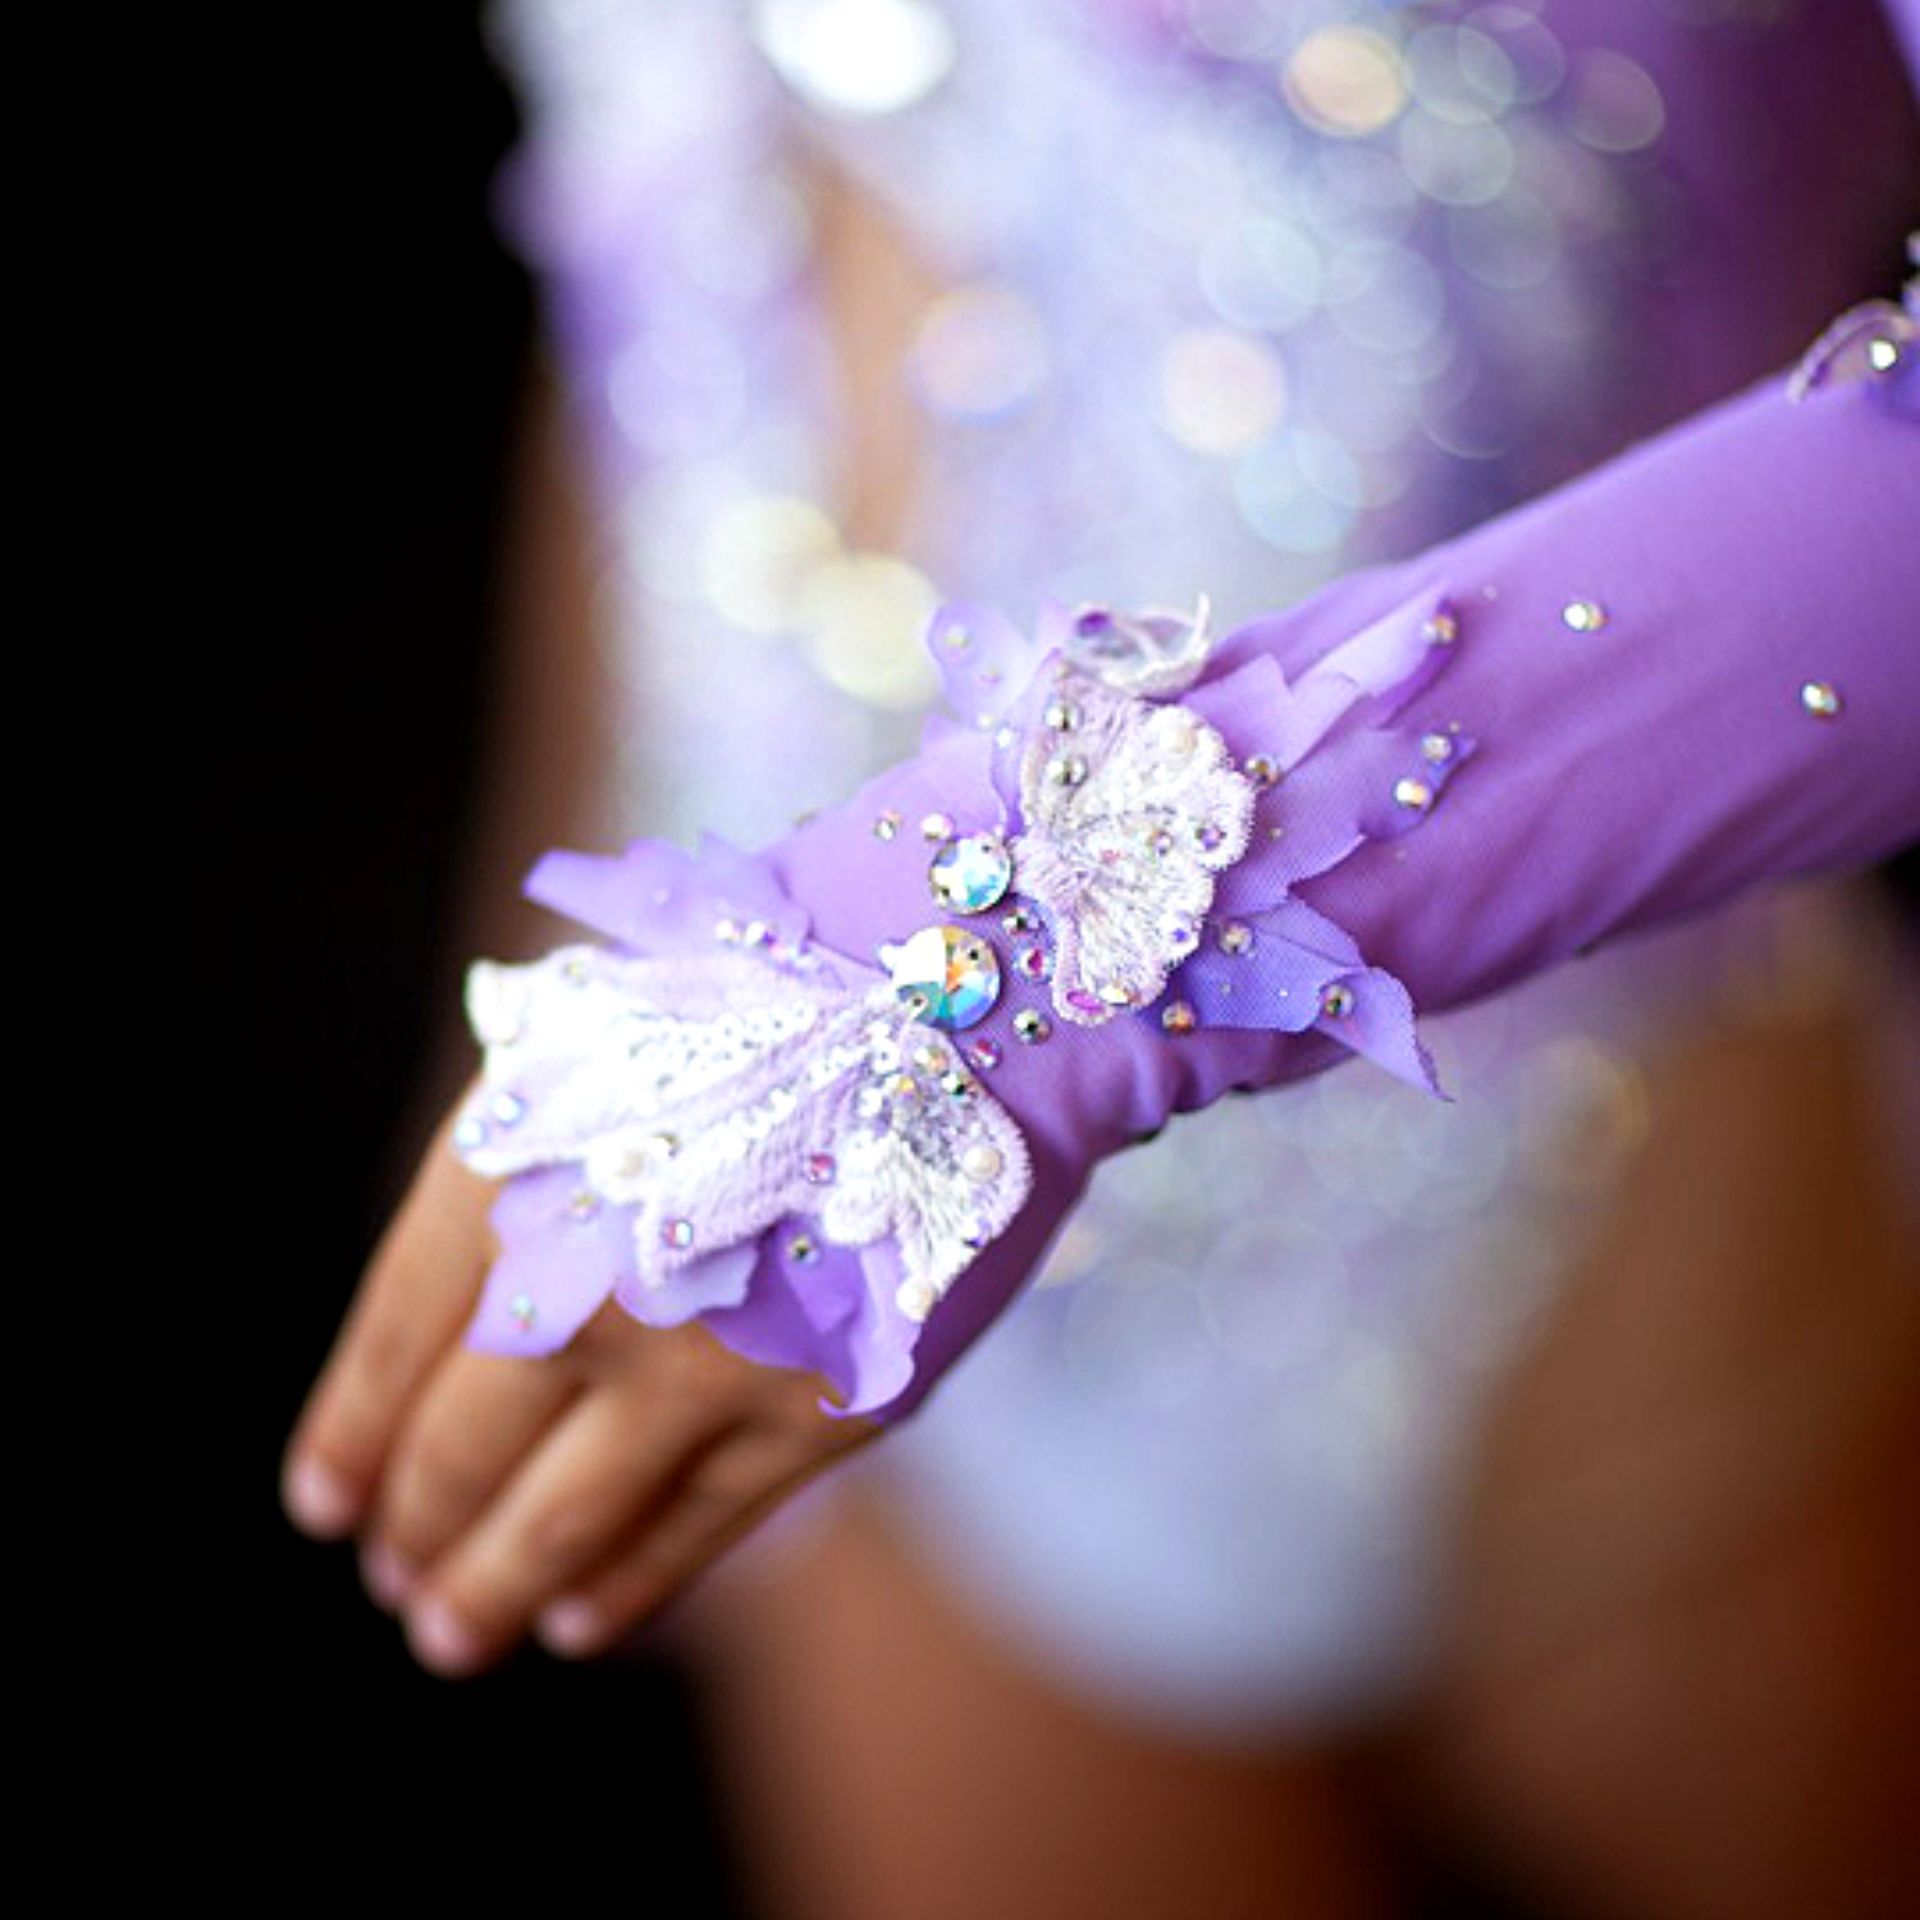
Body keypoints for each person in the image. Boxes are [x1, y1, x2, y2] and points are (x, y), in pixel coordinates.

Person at [284, 3, 1919, 1913]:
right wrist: (545, 982)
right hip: (856, 1349)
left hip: (1613, 1268)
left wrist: (1005, 973)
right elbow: (673, 300)